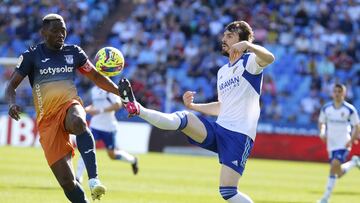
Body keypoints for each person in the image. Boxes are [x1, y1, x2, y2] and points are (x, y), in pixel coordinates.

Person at [118, 21, 275, 203]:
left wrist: (249, 46)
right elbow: (222, 106)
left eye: (230, 36)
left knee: (228, 192)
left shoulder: (250, 62)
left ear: (242, 40)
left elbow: (270, 58)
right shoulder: (223, 71)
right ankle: (138, 109)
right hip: (219, 128)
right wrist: (195, 106)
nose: (224, 39)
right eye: (224, 35)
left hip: (239, 135)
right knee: (185, 118)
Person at [5, 14, 121, 202]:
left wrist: (119, 92)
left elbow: (97, 77)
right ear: (43, 33)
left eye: (63, 31)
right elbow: (11, 86)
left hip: (68, 105)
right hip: (47, 121)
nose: (61, 35)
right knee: (67, 182)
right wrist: (11, 104)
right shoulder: (31, 56)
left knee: (78, 121)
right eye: (55, 31)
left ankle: (94, 180)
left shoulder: (74, 52)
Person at [75, 84, 139, 183]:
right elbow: (95, 105)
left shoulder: (109, 89)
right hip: (95, 126)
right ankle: (78, 177)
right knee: (86, 148)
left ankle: (133, 160)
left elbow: (118, 104)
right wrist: (87, 109)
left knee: (112, 155)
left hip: (109, 127)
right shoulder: (94, 90)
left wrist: (100, 110)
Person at [317, 83, 360, 203]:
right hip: (331, 143)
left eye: (339, 91)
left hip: (344, 143)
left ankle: (325, 198)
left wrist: (351, 140)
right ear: (332, 93)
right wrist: (322, 132)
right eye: (335, 91)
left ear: (344, 93)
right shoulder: (326, 108)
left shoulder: (349, 109)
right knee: (338, 173)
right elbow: (322, 122)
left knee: (333, 166)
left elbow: (357, 126)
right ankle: (353, 162)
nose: (337, 94)